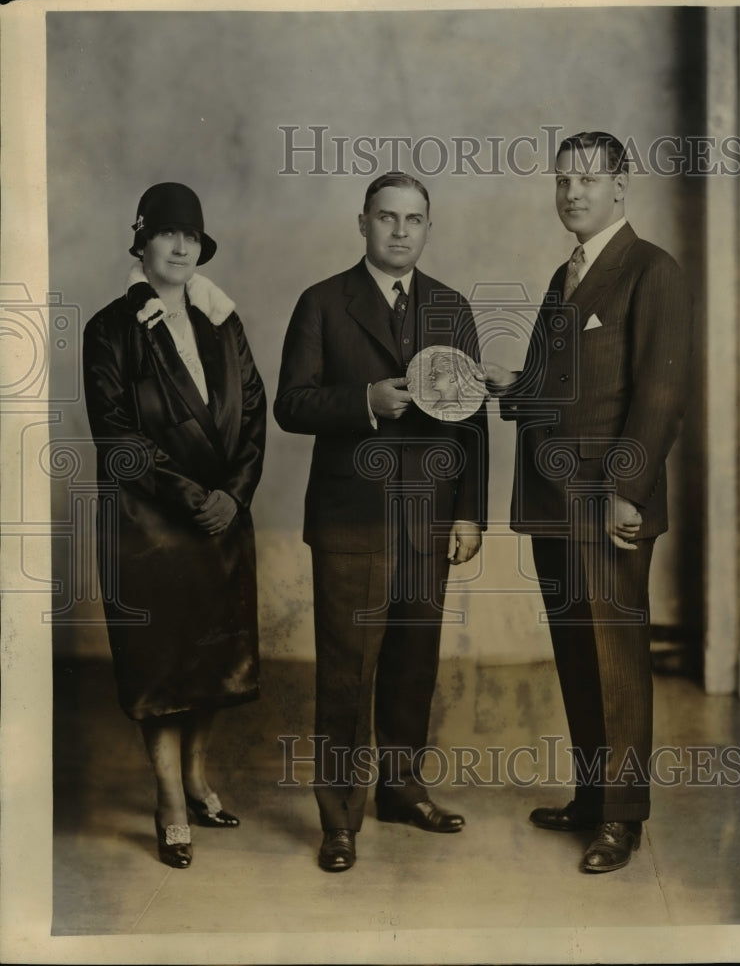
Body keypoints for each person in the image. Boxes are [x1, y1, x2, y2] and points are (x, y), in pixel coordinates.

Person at [480, 132, 692, 873]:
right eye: (562, 179)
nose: (572, 192)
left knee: (616, 656)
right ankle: (592, 795)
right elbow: (561, 386)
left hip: (607, 503)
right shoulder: (562, 274)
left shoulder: (650, 270)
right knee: (576, 652)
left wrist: (626, 494)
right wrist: (517, 387)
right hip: (550, 500)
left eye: (588, 180)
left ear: (619, 189)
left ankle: (622, 819)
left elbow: (659, 396)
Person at [274, 172, 488, 872]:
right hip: (350, 519)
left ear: (429, 228)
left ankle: (401, 788)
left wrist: (470, 516)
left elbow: (473, 425)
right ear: (361, 222)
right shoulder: (321, 302)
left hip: (428, 521)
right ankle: (340, 818)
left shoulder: (451, 309)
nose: (400, 231)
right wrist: (363, 400)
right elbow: (291, 404)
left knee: (411, 665)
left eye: (414, 220)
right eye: (387, 218)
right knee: (344, 673)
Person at [83, 183, 267, 869]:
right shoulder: (110, 329)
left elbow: (252, 411)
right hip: (149, 524)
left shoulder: (223, 322)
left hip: (221, 518)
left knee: (214, 661)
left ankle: (195, 779)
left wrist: (234, 495)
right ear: (142, 241)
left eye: (191, 235)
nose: (183, 245)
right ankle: (166, 801)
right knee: (161, 669)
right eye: (168, 233)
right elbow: (115, 436)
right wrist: (191, 494)